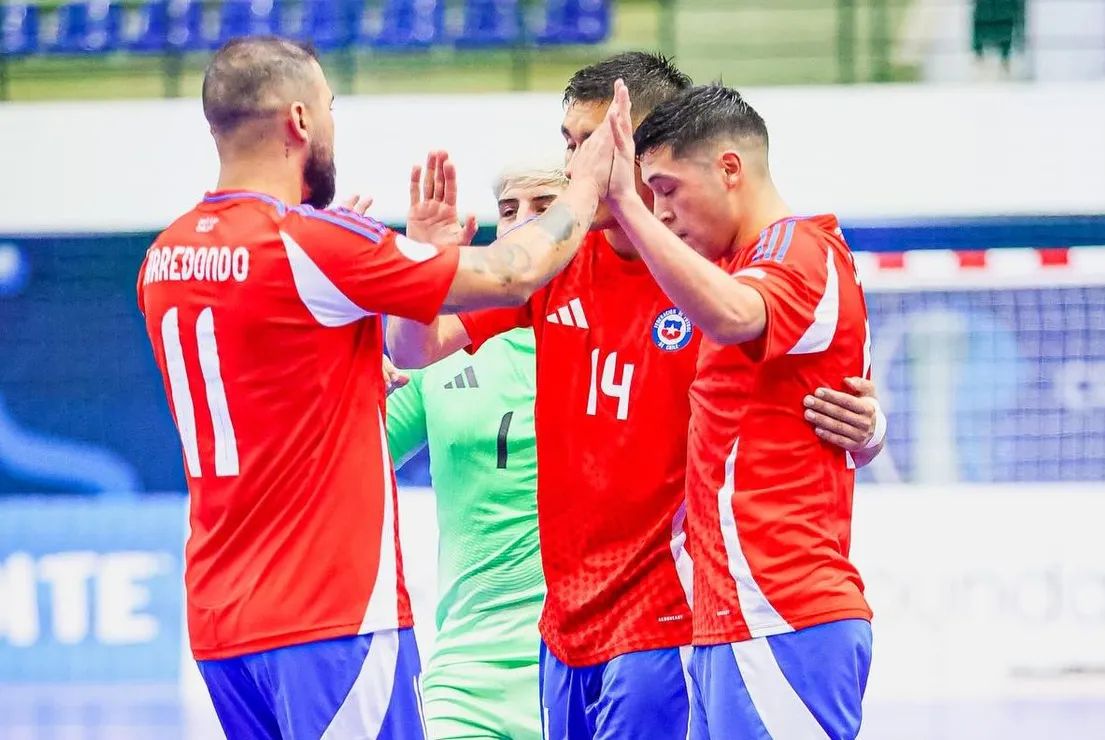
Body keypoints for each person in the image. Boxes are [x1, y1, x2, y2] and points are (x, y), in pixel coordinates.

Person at [390, 54, 884, 740]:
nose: (574, 165)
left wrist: (870, 424)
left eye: (591, 144)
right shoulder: (553, 259)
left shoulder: (712, 271)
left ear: (649, 150)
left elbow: (786, 355)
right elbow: (414, 348)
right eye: (568, 142)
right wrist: (425, 266)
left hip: (670, 620)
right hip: (562, 628)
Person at [136, 35, 618, 740]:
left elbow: (288, 381)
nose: (334, 124)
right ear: (300, 120)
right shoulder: (311, 244)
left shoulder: (166, 256)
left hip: (220, 620)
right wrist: (584, 189)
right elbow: (512, 274)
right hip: (329, 615)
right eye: (331, 107)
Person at [605, 83, 876, 739]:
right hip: (734, 618)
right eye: (647, 193)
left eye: (666, 189)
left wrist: (623, 206)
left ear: (730, 169)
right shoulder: (744, 262)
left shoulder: (795, 250)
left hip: (782, 612)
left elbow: (735, 315)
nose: (659, 211)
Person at [384, 159, 569, 740]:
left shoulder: (622, 338)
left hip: (590, 662)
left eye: (544, 207)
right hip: (465, 677)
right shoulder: (443, 352)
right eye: (509, 212)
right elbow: (347, 455)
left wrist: (863, 436)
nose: (523, 225)